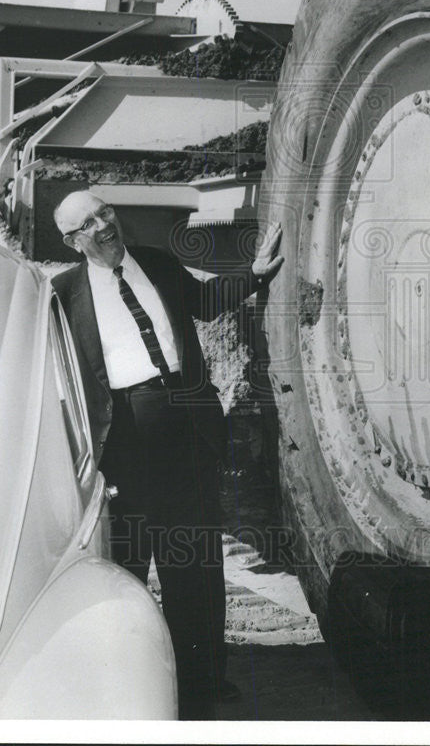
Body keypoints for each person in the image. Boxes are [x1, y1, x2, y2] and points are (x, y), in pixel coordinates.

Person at [51, 190, 282, 718]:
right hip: (122, 448)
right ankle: (133, 685)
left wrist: (257, 273)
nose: (103, 226)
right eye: (88, 224)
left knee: (195, 561)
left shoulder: (155, 261)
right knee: (127, 568)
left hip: (187, 432)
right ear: (72, 241)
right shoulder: (62, 295)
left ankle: (201, 683)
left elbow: (203, 300)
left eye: (105, 212)